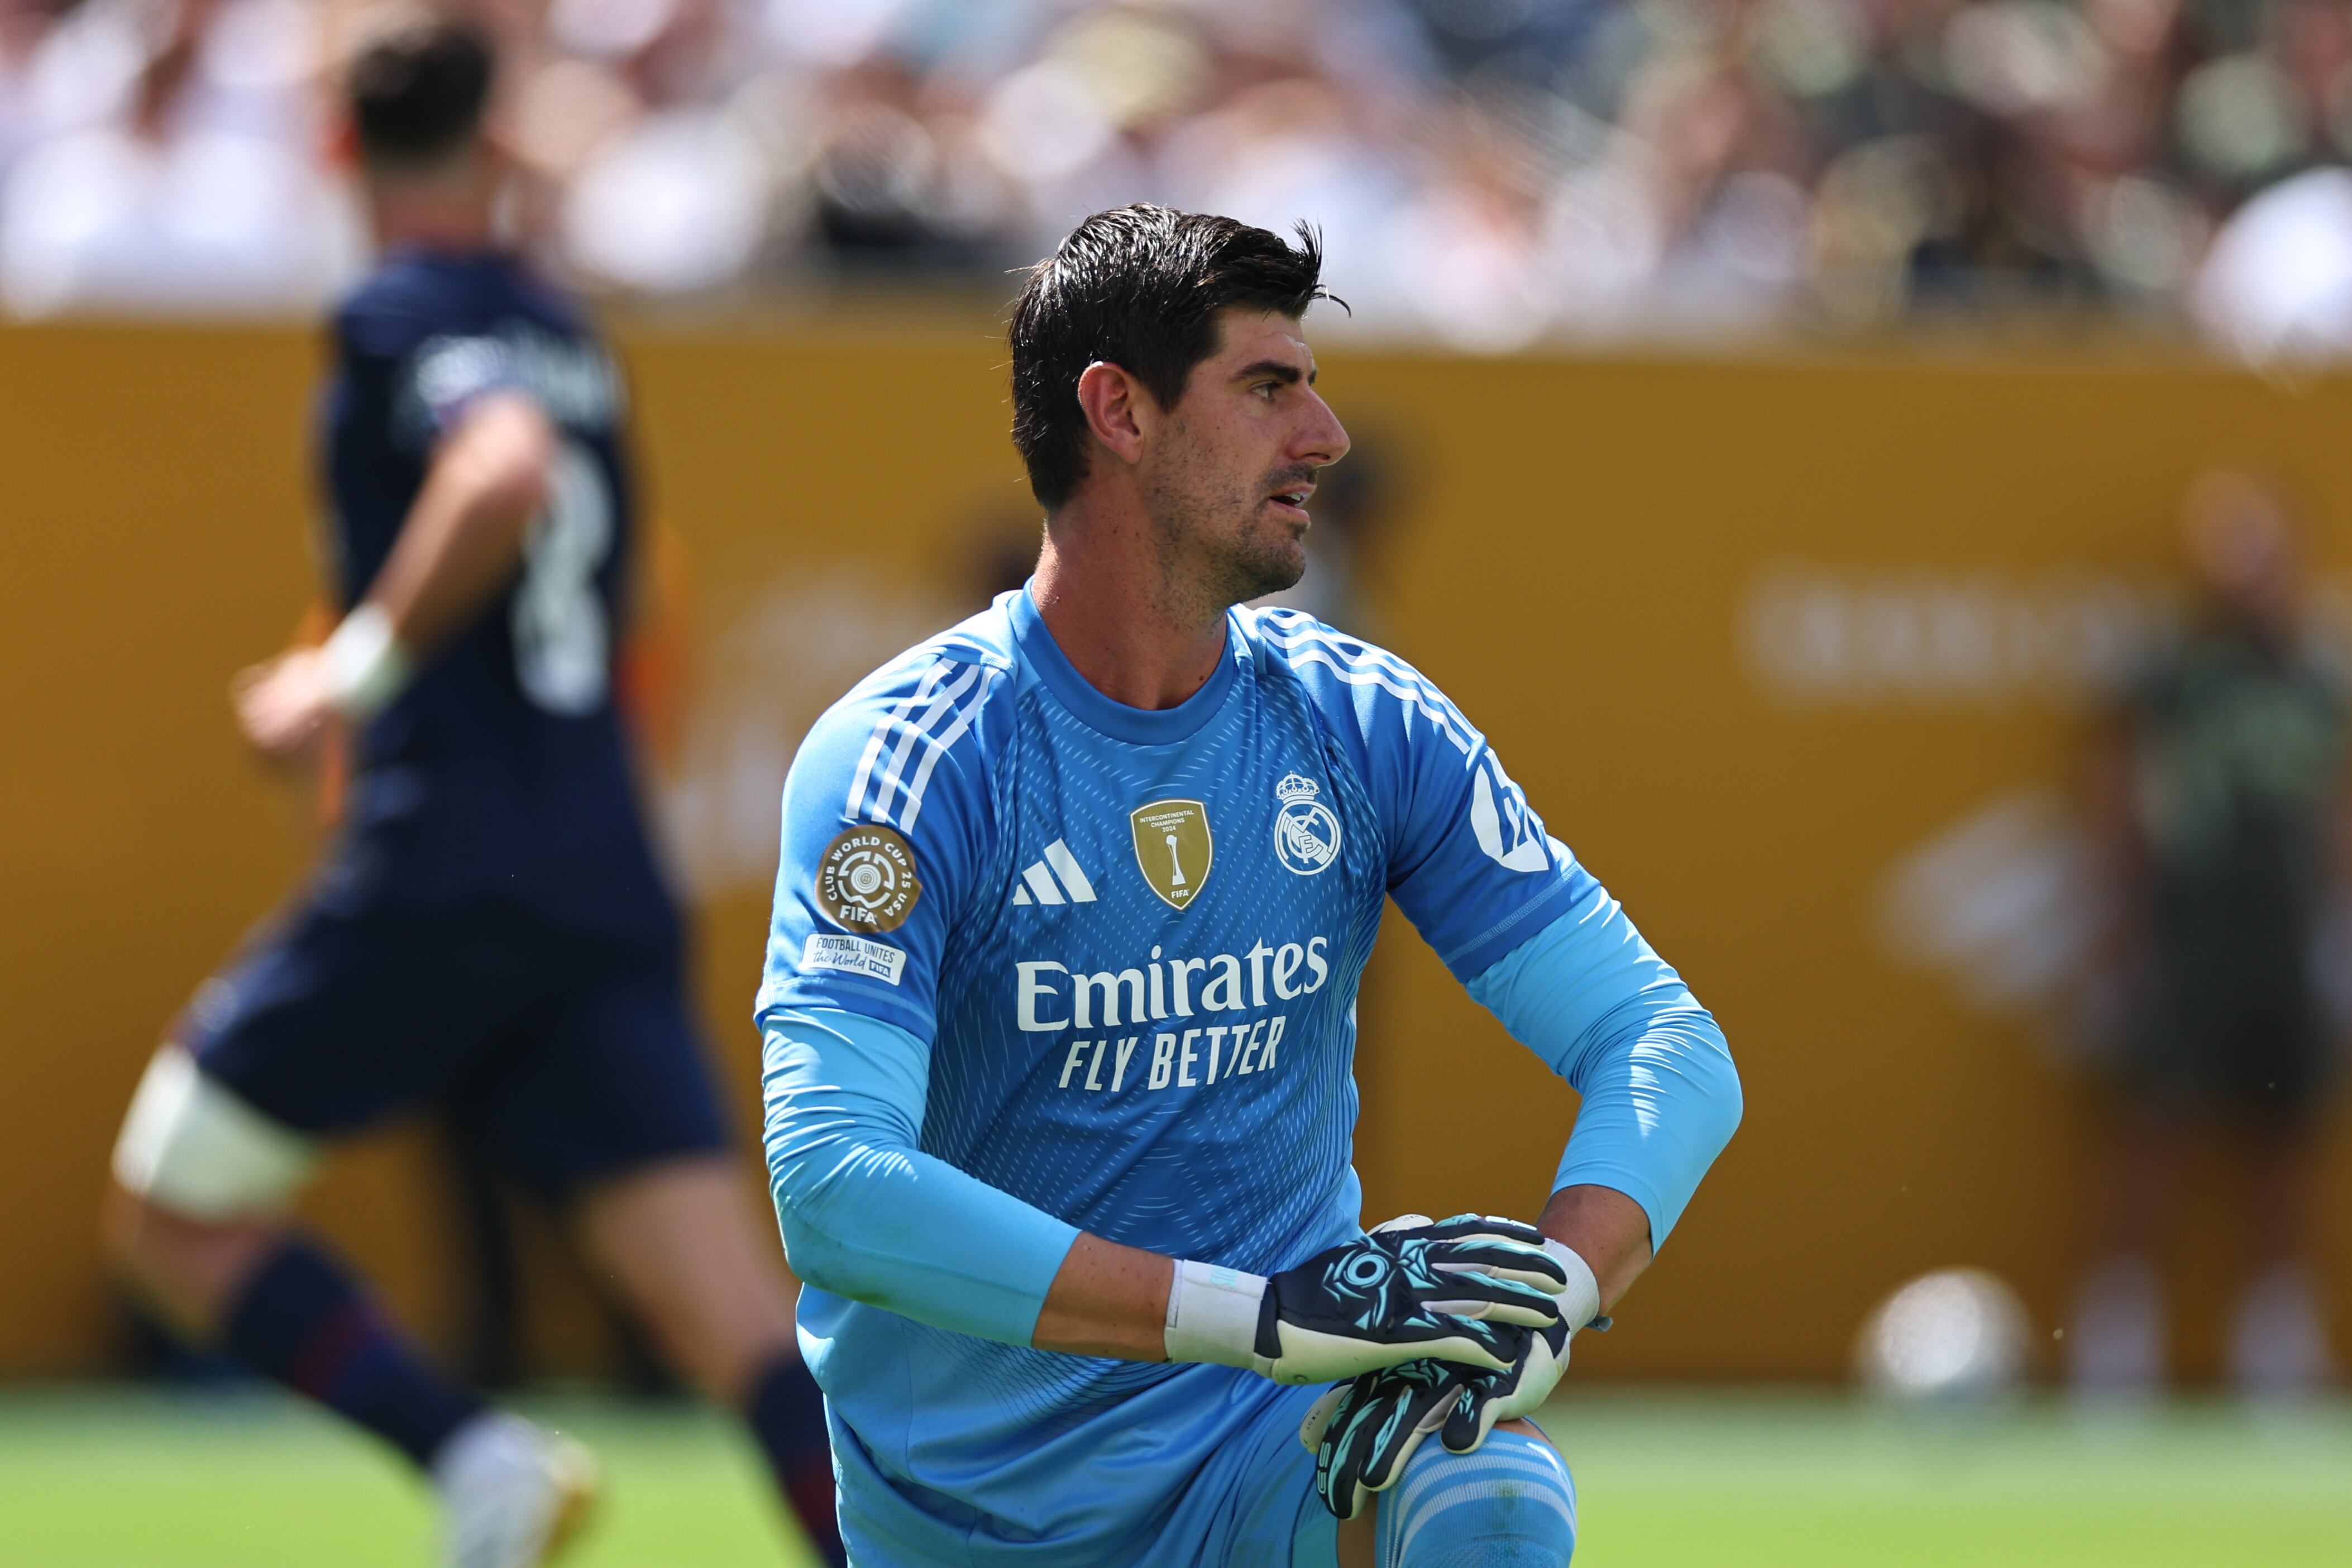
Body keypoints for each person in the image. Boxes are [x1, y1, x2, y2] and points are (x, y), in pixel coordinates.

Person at [758, 204, 1744, 1566]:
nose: (1326, 438)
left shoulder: (1360, 715)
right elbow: (832, 1186)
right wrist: (1266, 1314)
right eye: (1270, 387)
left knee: (1487, 1489)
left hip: (1265, 1464)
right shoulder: (911, 758)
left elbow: (1665, 1044)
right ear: (1120, 411)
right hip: (972, 1524)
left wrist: (1546, 1305)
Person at [99, 21, 839, 1567]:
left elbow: (498, 473)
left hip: (449, 863)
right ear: (494, 149)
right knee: (729, 1320)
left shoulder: (398, 309)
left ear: (332, 150)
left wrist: (344, 677)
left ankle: (469, 1458)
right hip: (594, 865)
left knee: (170, 1210)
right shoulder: (567, 328)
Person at [2070, 469, 2350, 1402]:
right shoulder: (2177, 674)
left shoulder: (2320, 674)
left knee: (2283, 1137)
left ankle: (2273, 1344)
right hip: (2191, 932)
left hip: (2284, 931)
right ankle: (2115, 1342)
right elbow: (2121, 799)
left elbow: (2335, 807)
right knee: (2159, 1130)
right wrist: (2119, 928)